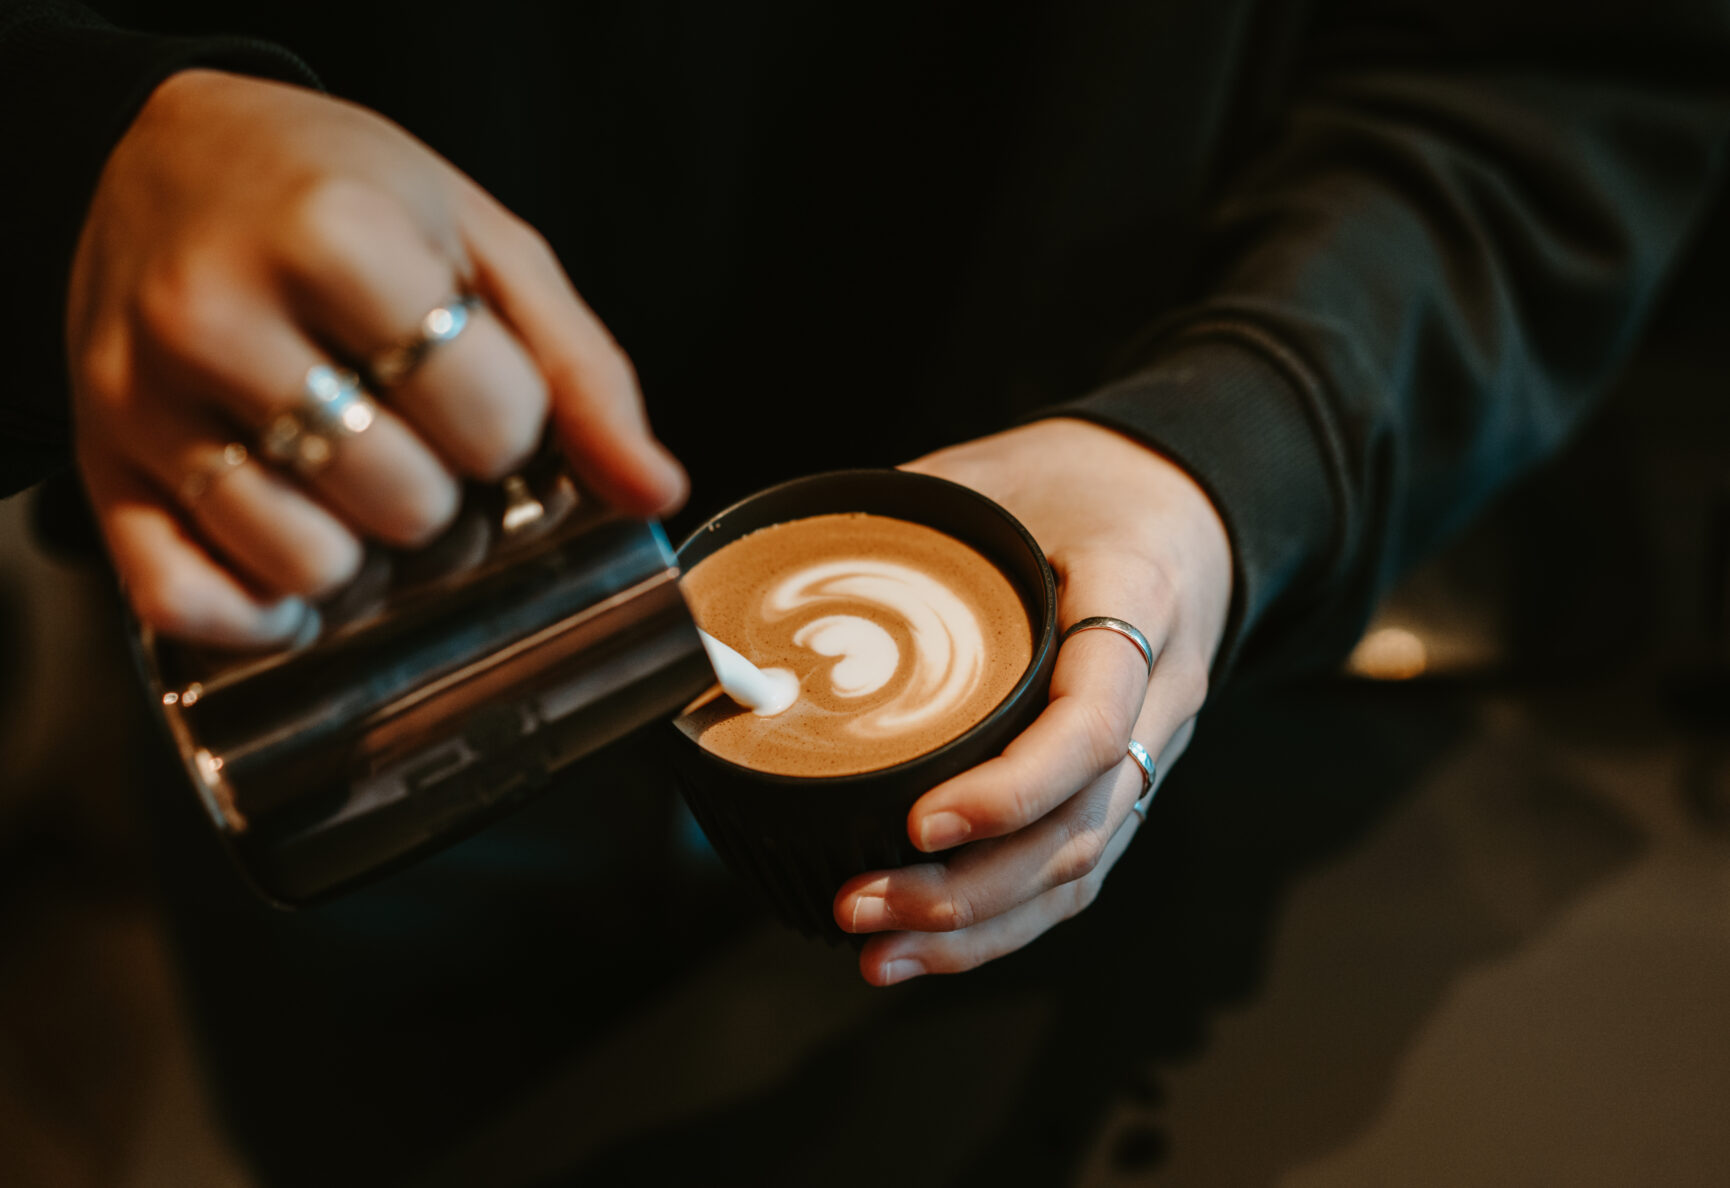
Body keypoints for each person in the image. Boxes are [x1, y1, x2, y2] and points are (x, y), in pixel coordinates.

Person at [4, 0, 1726, 1010]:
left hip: (1105, 649)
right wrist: (93, 149)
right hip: (364, 641)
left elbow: (1567, 68)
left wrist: (1231, 445)